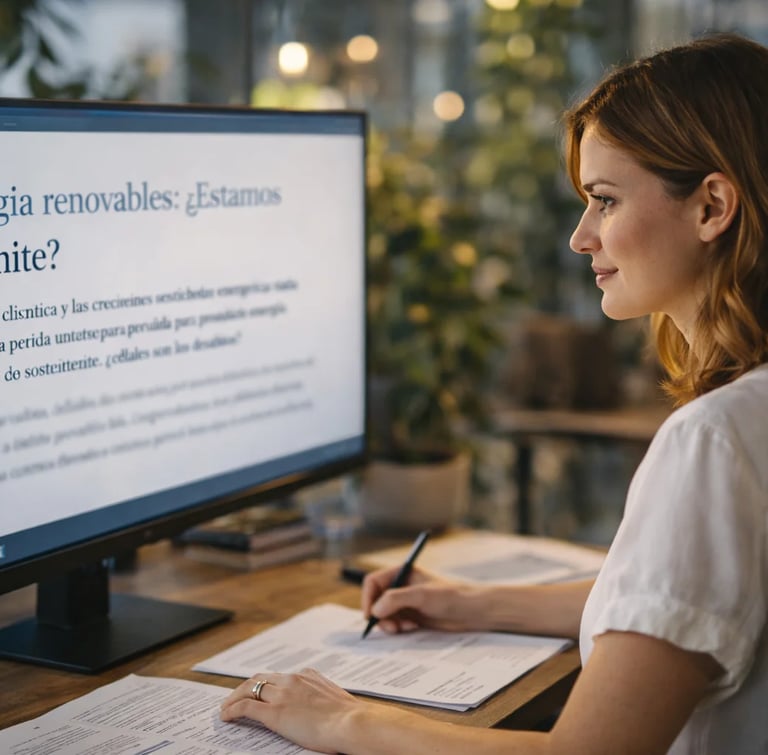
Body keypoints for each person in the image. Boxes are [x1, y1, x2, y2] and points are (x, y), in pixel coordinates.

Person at [220, 32, 768, 754]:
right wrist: (471, 603)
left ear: (712, 206)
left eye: (605, 201)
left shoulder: (714, 440)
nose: (580, 237)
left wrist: (342, 719)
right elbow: (678, 602)